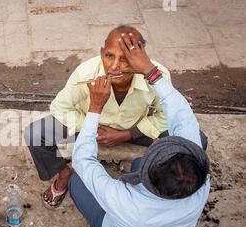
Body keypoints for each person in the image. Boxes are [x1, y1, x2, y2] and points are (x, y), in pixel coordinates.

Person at [68, 32, 210, 227]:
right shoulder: (200, 185)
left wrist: (94, 108)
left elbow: (82, 161)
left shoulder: (124, 202)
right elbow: (182, 114)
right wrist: (150, 69)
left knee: (75, 181)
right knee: (137, 163)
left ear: (147, 178)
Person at [24, 25, 207, 209]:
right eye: (109, 56)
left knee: (196, 142)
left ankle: (151, 179)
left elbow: (166, 116)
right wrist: (93, 128)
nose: (114, 66)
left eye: (126, 59)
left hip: (136, 128)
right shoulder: (86, 73)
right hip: (90, 126)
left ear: (141, 58)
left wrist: (128, 134)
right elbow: (60, 107)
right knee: (35, 134)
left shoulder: (157, 75)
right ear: (102, 52)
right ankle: (64, 174)